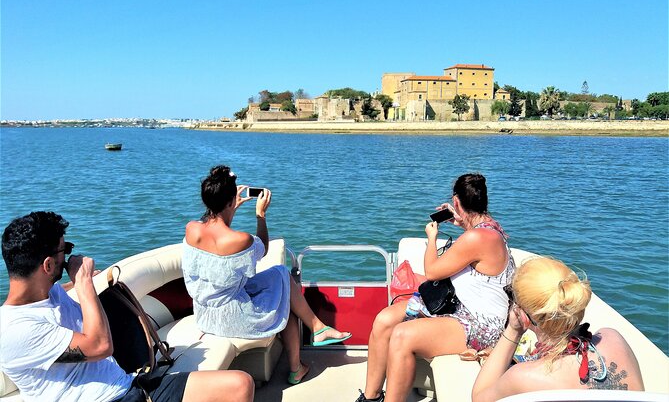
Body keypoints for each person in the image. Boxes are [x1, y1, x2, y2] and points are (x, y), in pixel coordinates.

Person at [0, 211, 254, 402]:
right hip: (107, 399)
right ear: (46, 266)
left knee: (239, 384)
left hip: (129, 386)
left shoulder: (46, 291)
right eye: (64, 250)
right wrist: (84, 283)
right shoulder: (16, 330)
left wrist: (73, 285)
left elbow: (53, 302)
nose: (67, 256)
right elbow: (100, 346)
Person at [183, 165, 351, 385]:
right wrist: (260, 215)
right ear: (232, 200)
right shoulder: (239, 239)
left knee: (283, 293)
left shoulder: (191, 229)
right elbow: (262, 248)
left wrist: (229, 209)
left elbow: (215, 234)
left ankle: (304, 354)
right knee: (283, 285)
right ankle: (314, 335)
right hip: (232, 317)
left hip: (205, 314)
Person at [357, 173, 515, 402]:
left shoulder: (477, 237)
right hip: (459, 307)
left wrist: (432, 237)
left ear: (457, 202)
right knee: (384, 321)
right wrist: (461, 221)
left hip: (481, 324)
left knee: (402, 335)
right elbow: (475, 241)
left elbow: (431, 271)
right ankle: (371, 398)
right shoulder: (488, 227)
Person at [472, 257, 644, 401]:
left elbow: (479, 397)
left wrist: (513, 330)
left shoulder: (524, 378)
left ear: (523, 315)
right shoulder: (613, 338)